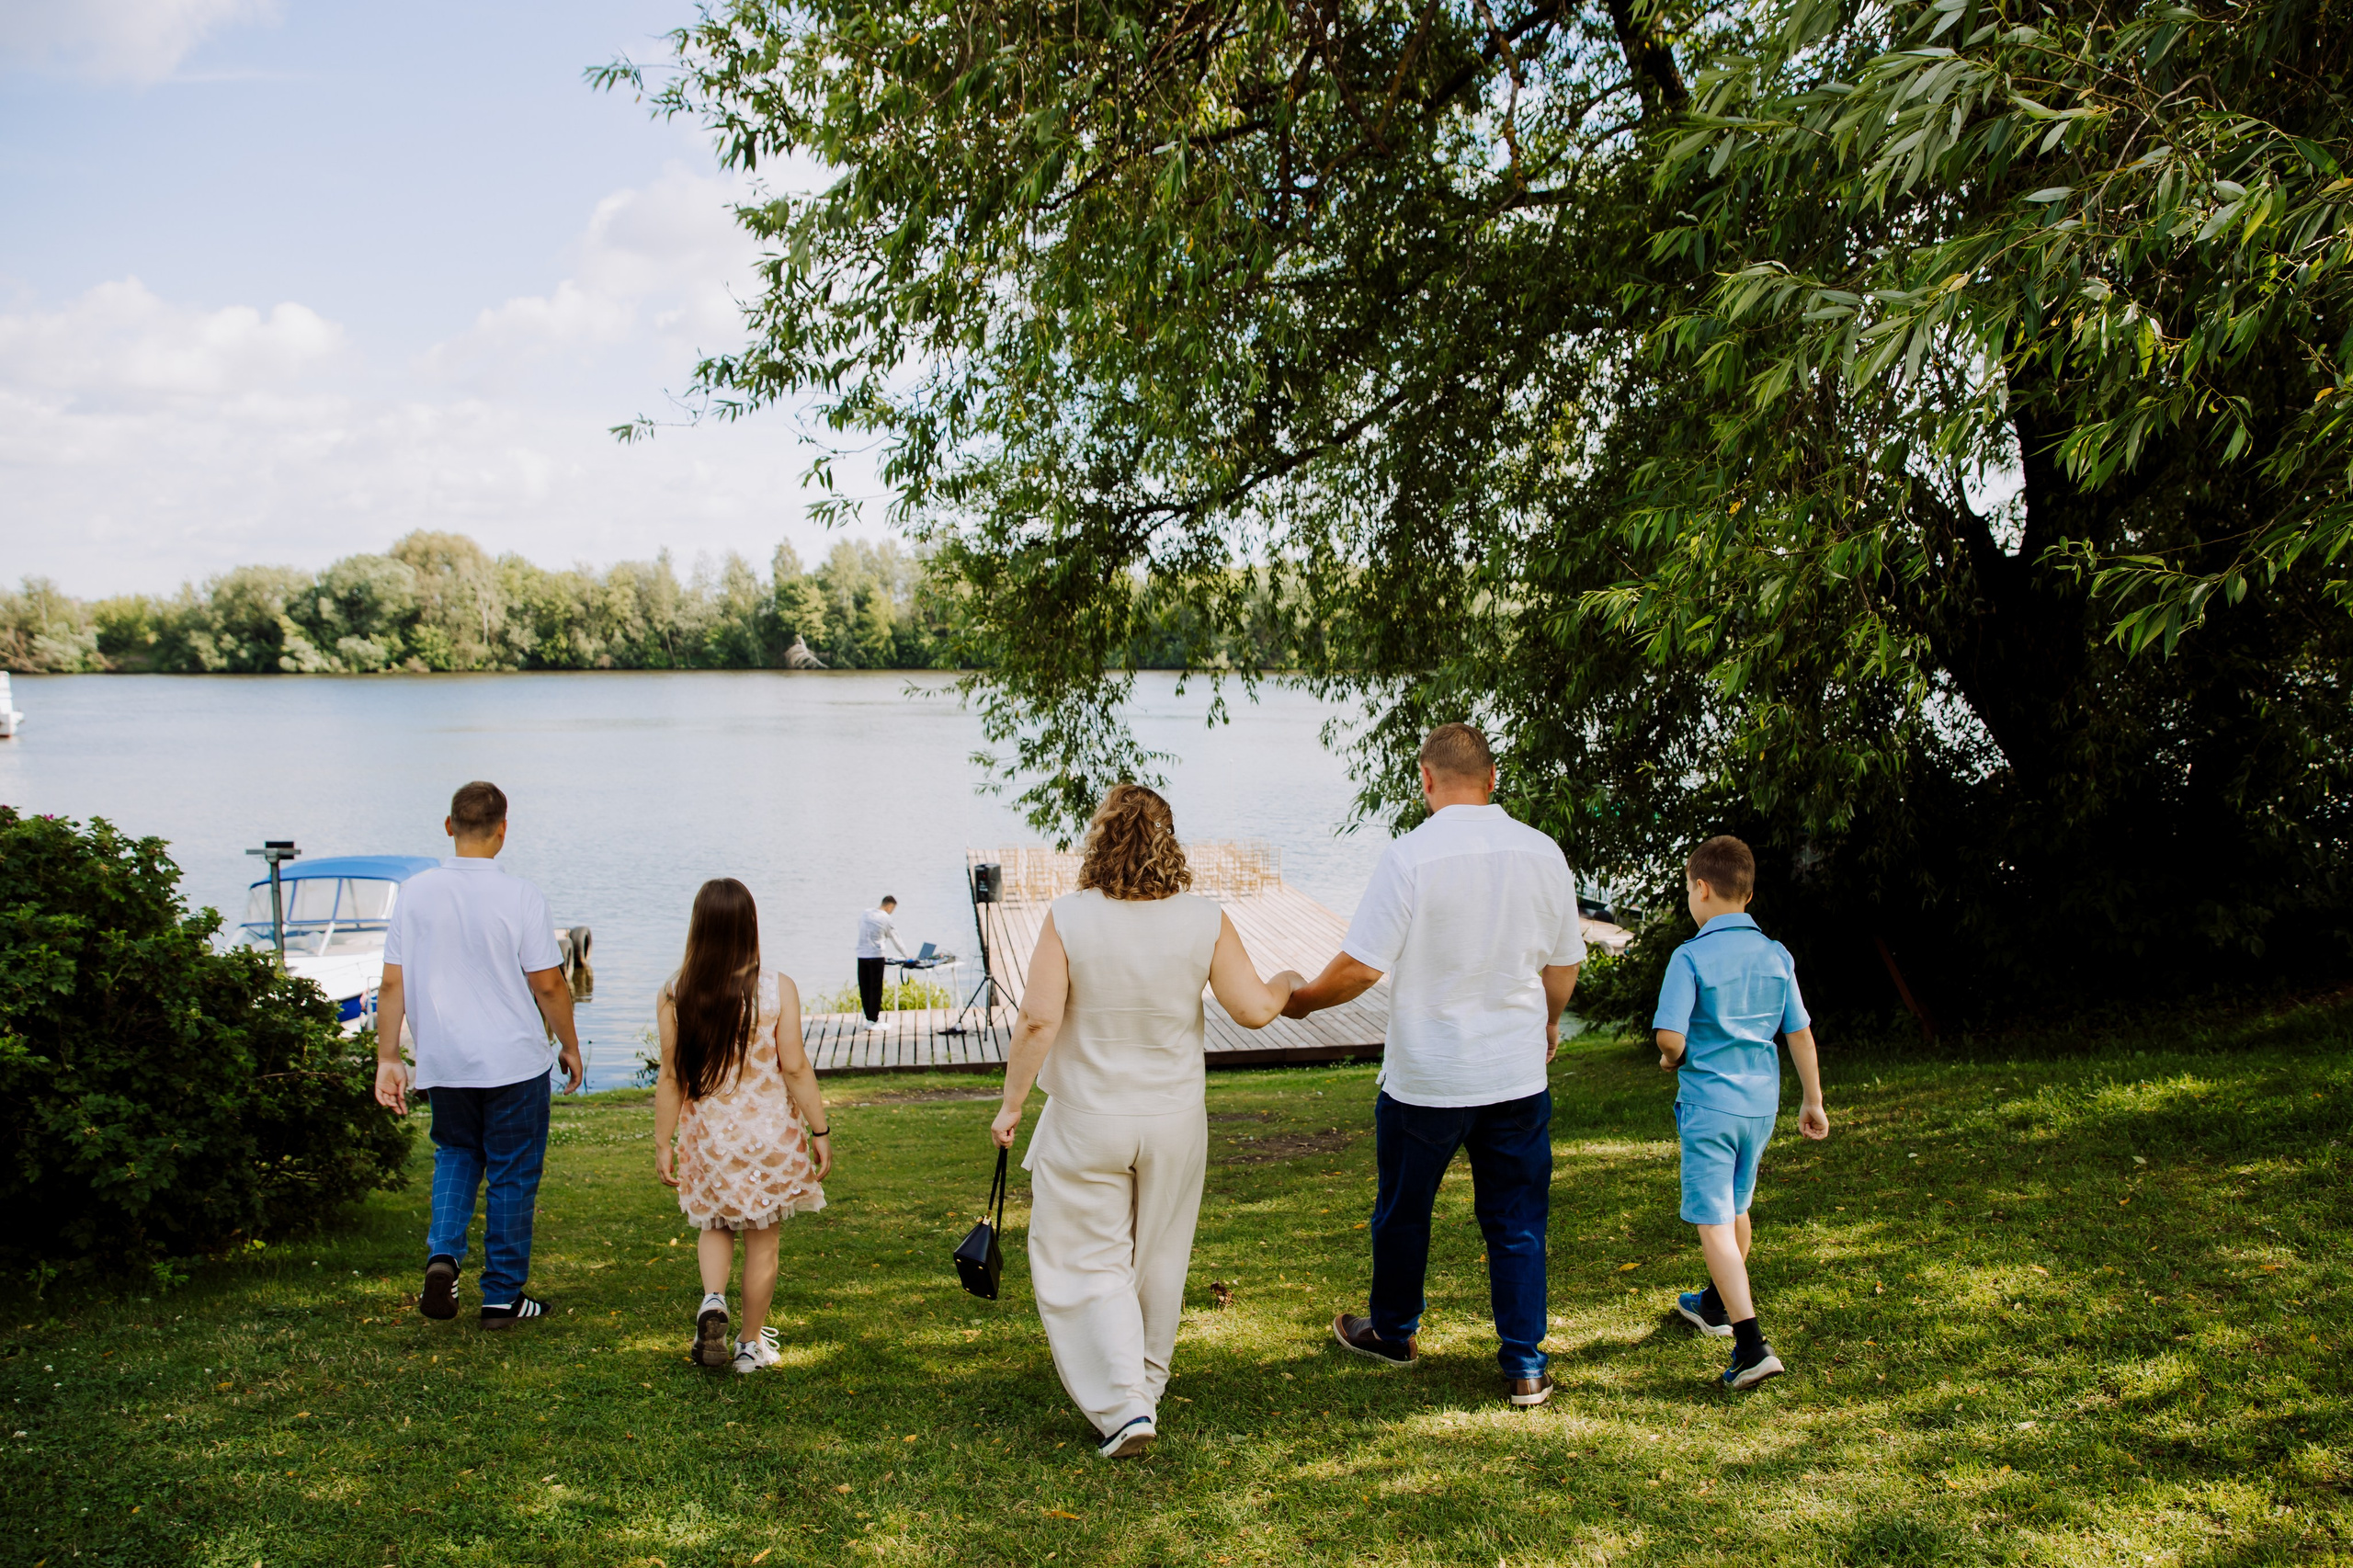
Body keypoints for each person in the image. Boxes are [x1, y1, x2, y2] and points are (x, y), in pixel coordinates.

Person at [990, 784, 1302, 1459]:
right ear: (1169, 842)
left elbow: (1039, 1020)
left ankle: (1124, 1404)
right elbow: (1252, 1009)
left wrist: (1012, 1103)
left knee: (1085, 1259)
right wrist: (1285, 982)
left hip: (1087, 1120)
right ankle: (1145, 1386)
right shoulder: (1203, 918)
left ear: (1100, 839)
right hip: (1173, 1121)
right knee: (1161, 1254)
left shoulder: (1069, 917)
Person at [1283, 722, 1583, 1407]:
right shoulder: (1542, 852)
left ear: (1425, 781)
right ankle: (1524, 1366)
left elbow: (1361, 967)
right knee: (1516, 1220)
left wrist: (1300, 1004)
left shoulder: (1409, 857)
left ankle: (1394, 1333)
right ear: (1494, 777)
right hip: (1514, 1074)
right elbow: (1562, 965)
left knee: (1403, 1212)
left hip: (1427, 1076)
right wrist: (1548, 1021)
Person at [373, 780, 584, 1328]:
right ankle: (502, 1298)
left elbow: (392, 985)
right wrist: (569, 1044)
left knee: (456, 1155)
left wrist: (388, 1057)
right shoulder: (521, 896)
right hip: (514, 1062)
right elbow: (549, 986)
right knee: (513, 1174)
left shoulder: (414, 894)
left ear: (449, 827)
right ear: (503, 830)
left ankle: (443, 1257)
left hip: (445, 1061)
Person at [1653, 834, 1827, 1391]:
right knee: (1735, 1206)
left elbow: (1670, 1035)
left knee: (1712, 1219)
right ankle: (1714, 1303)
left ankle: (1750, 1345)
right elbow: (1799, 1033)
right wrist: (1813, 1100)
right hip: (1760, 1107)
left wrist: (1668, 1057)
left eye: (1687, 889)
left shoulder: (1691, 955)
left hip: (1710, 1106)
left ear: (1701, 889)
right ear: (1746, 895)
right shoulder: (1776, 954)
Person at [654, 878, 833, 1374]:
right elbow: (794, 1066)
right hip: (769, 1136)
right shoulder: (778, 989)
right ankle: (750, 1346)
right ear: (750, 925)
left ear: (699, 927)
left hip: (708, 1135)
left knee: (714, 1223)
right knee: (763, 1238)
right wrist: (819, 1131)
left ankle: (713, 1300)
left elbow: (671, 1077)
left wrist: (663, 1142)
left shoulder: (676, 992)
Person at [855, 895, 909, 1030]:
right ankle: (874, 1020)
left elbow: (860, 928)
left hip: (861, 955)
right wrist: (907, 955)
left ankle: (869, 1019)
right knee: (875, 988)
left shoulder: (865, 913)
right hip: (876, 956)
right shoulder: (886, 918)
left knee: (865, 988)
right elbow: (896, 938)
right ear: (890, 906)